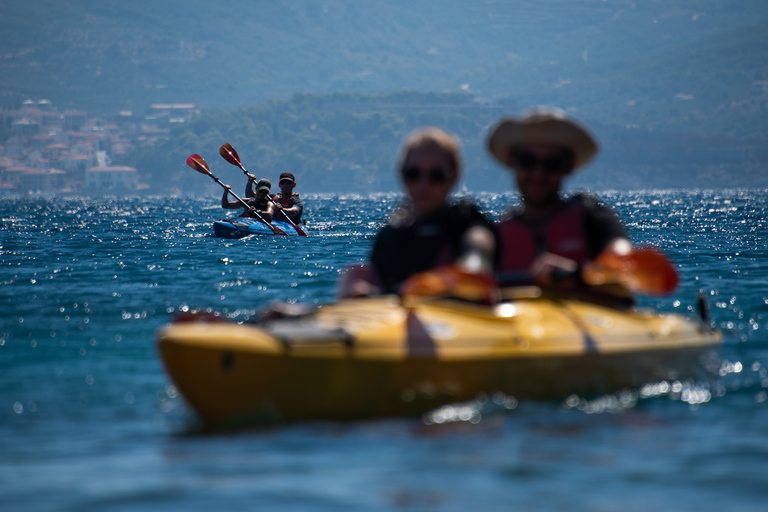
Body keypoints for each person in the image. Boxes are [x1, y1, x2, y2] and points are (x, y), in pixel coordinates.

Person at [339, 127, 498, 300]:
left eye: (436, 175)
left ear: (454, 177)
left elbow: (477, 257)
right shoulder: (390, 235)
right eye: (414, 174)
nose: (424, 184)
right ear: (402, 174)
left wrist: (458, 277)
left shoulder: (468, 225)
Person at [486, 108, 631, 291]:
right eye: (527, 161)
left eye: (552, 164)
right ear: (511, 162)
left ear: (568, 167)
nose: (538, 174)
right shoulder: (497, 235)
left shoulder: (594, 219)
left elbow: (626, 264)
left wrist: (576, 272)